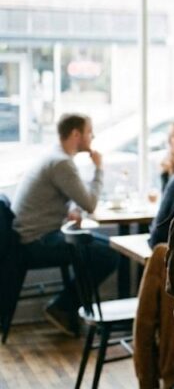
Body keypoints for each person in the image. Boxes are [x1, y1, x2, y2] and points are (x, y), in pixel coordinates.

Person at [12, 113, 119, 336]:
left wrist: (71, 208)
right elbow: (89, 203)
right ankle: (63, 307)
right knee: (109, 254)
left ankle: (66, 308)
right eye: (90, 131)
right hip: (37, 241)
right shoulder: (61, 163)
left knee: (107, 249)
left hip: (30, 236)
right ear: (76, 134)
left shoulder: (54, 156)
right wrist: (99, 169)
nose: (93, 136)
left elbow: (69, 198)